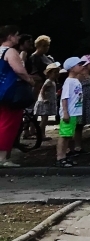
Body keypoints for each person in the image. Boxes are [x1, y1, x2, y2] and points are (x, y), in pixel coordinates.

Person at [0, 28, 36, 166]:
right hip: (10, 93)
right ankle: (2, 158)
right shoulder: (9, 51)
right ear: (9, 36)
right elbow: (19, 70)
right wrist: (30, 80)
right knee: (9, 123)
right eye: (16, 35)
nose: (18, 37)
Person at [55, 57, 83, 167]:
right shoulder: (69, 82)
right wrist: (65, 112)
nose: (81, 66)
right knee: (64, 135)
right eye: (79, 64)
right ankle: (60, 157)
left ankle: (64, 156)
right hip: (69, 113)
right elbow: (64, 98)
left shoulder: (76, 80)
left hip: (74, 113)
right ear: (71, 68)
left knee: (68, 135)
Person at [32, 63, 59, 142]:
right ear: (49, 73)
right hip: (44, 103)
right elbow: (42, 91)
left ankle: (42, 134)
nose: (57, 74)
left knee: (45, 120)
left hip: (48, 102)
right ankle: (40, 135)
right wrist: (44, 99)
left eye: (57, 72)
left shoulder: (52, 82)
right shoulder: (48, 81)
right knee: (44, 120)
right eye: (55, 72)